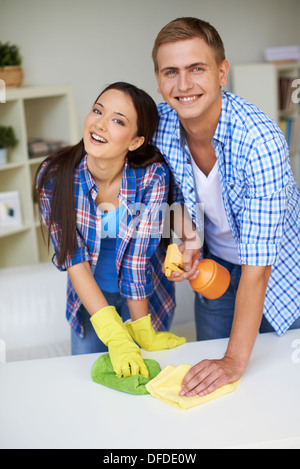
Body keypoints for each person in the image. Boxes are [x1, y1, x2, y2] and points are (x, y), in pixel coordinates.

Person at [151, 17, 300, 397]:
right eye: (171, 71)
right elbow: (164, 190)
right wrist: (187, 235)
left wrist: (233, 360)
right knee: (212, 392)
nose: (183, 85)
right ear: (157, 78)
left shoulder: (261, 141)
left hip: (278, 277)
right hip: (213, 270)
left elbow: (259, 267)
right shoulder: (160, 124)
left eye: (196, 69)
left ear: (222, 72)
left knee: (275, 390)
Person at [35, 81, 186, 379]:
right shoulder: (54, 176)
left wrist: (142, 329)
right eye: (97, 111)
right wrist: (114, 334)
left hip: (145, 299)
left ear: (135, 141)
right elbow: (73, 259)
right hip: (90, 301)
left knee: (148, 384)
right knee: (91, 391)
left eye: (118, 120)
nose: (100, 124)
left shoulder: (151, 177)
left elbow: (136, 260)